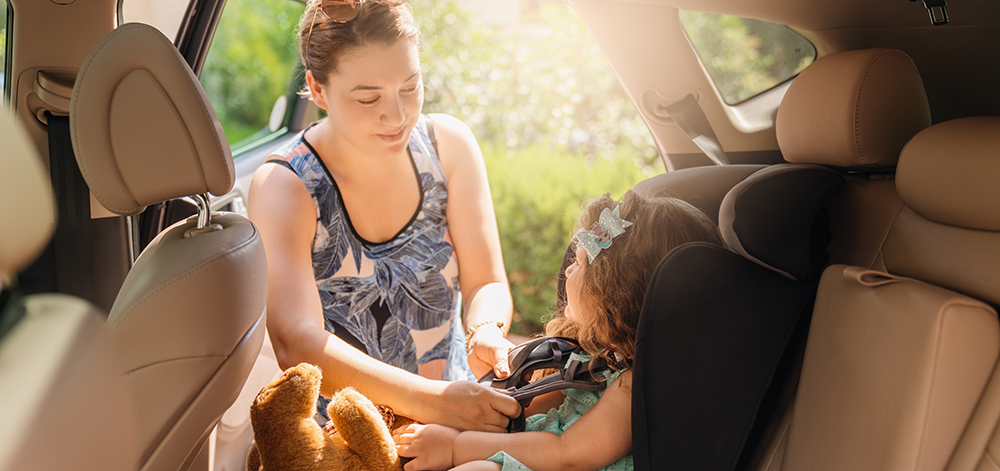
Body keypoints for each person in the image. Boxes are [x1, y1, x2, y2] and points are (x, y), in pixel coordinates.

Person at [247, 0, 519, 432]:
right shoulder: (286, 186)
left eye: (410, 88)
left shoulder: (448, 146)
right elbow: (296, 342)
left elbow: (486, 281)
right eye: (368, 97)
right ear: (318, 91)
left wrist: (484, 328)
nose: (397, 115)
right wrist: (437, 404)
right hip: (348, 444)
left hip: (455, 421)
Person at [393, 191, 724, 471]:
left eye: (579, 264)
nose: (567, 269)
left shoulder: (632, 386)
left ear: (614, 295)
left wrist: (456, 446)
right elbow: (524, 408)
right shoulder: (592, 355)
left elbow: (568, 455)